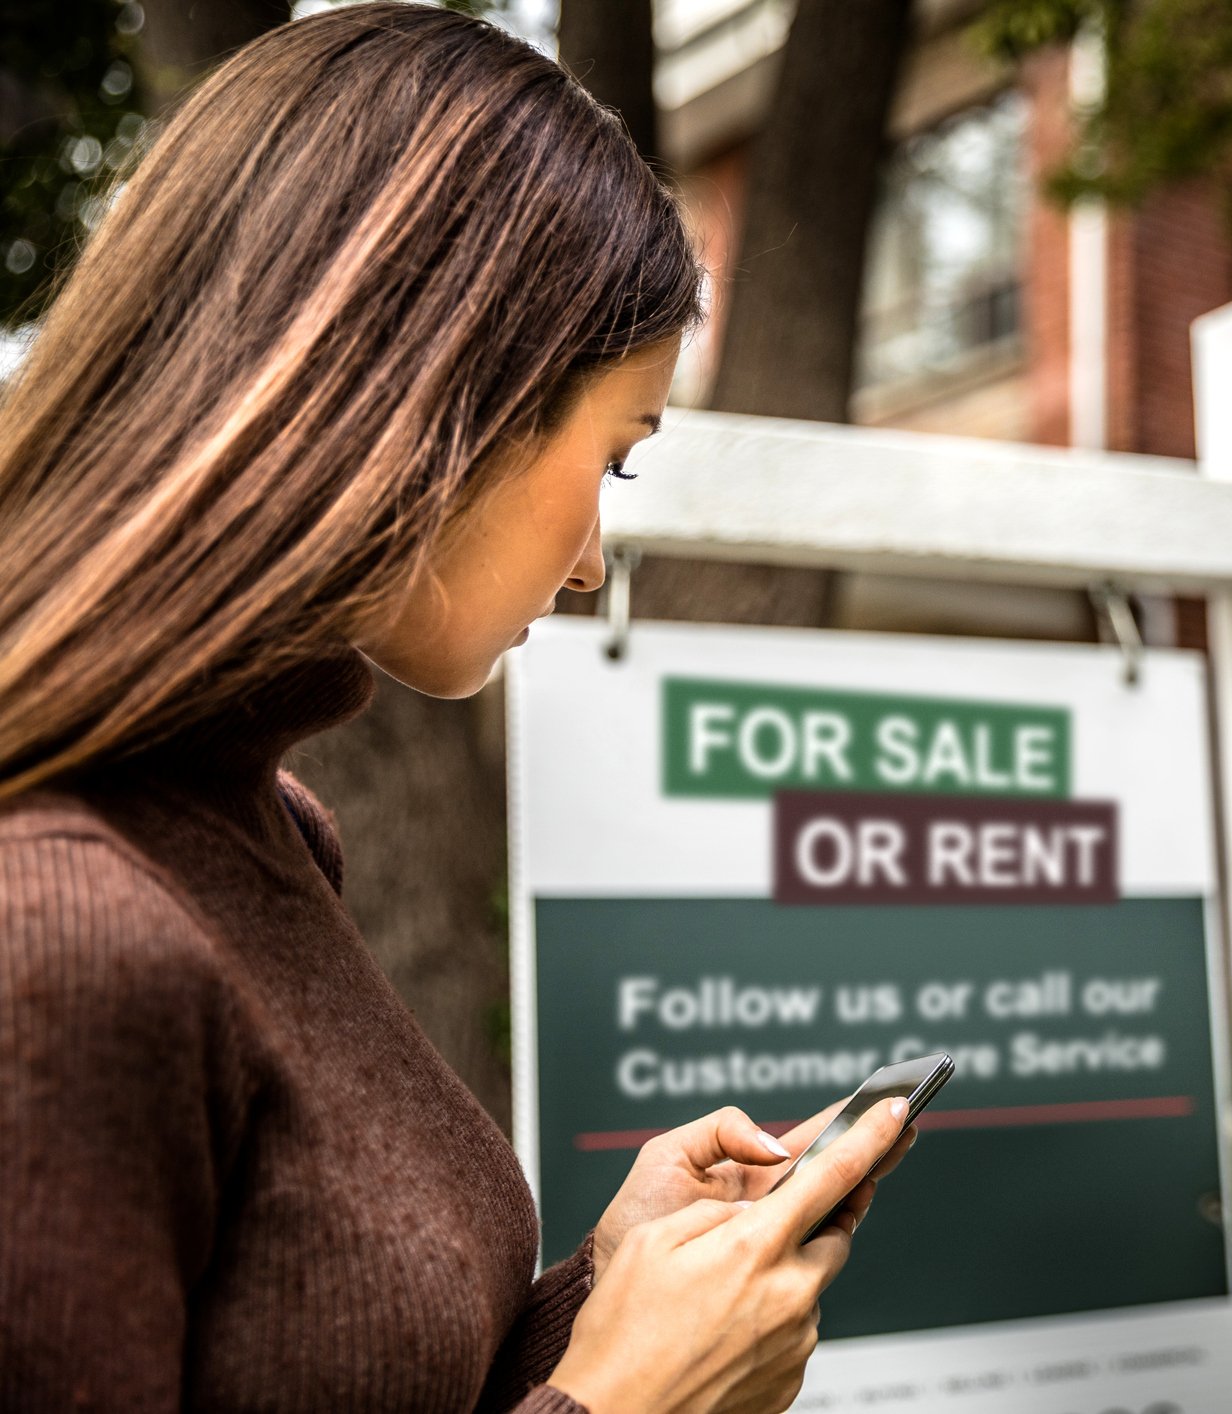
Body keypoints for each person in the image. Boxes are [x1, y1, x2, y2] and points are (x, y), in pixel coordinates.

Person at [0, 5, 914, 1410]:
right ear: (440, 402)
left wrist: (605, 1300)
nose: (597, 555)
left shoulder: (265, 831)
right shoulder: (55, 928)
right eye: (611, 462)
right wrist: (626, 1401)